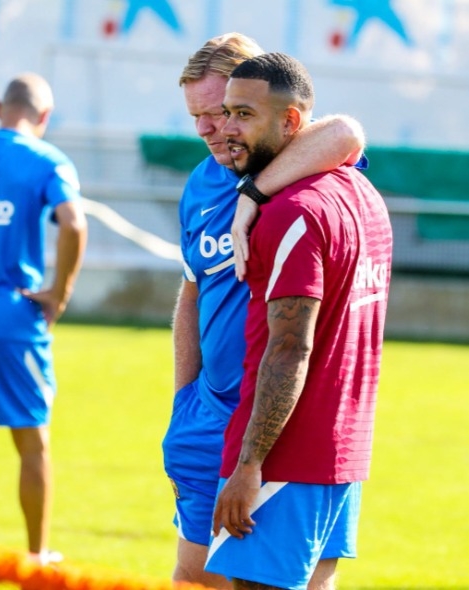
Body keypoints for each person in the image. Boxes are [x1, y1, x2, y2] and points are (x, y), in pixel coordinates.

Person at [162, 33, 367, 589]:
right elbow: (192, 291)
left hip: (278, 419)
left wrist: (253, 194)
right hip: (209, 417)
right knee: (195, 575)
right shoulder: (200, 182)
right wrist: (184, 401)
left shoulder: (299, 165)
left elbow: (346, 132)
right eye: (197, 116)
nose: (209, 129)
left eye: (221, 112)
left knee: (283, 579)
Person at [204, 52, 393, 590]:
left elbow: (290, 350)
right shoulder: (362, 194)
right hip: (341, 450)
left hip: (284, 459)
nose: (227, 128)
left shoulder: (292, 213)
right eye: (227, 112)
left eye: (244, 115)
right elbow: (343, 134)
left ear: (291, 122)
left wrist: (249, 465)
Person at [0, 73, 87, 565]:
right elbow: (73, 223)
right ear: (44, 116)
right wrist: (60, 293)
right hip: (13, 314)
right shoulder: (48, 160)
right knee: (32, 443)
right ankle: (36, 557)